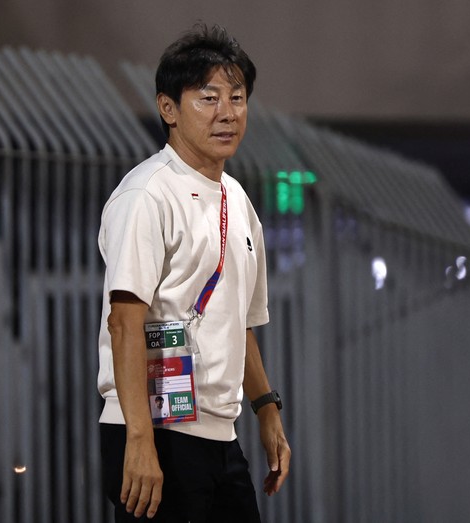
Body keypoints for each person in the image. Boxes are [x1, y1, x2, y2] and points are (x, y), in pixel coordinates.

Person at [97, 23, 291, 522]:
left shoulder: (239, 200)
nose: (227, 112)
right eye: (208, 98)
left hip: (219, 436)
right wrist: (139, 440)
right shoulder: (146, 194)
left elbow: (237, 321)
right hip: (154, 432)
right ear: (168, 109)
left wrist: (266, 408)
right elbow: (124, 321)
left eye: (237, 96)